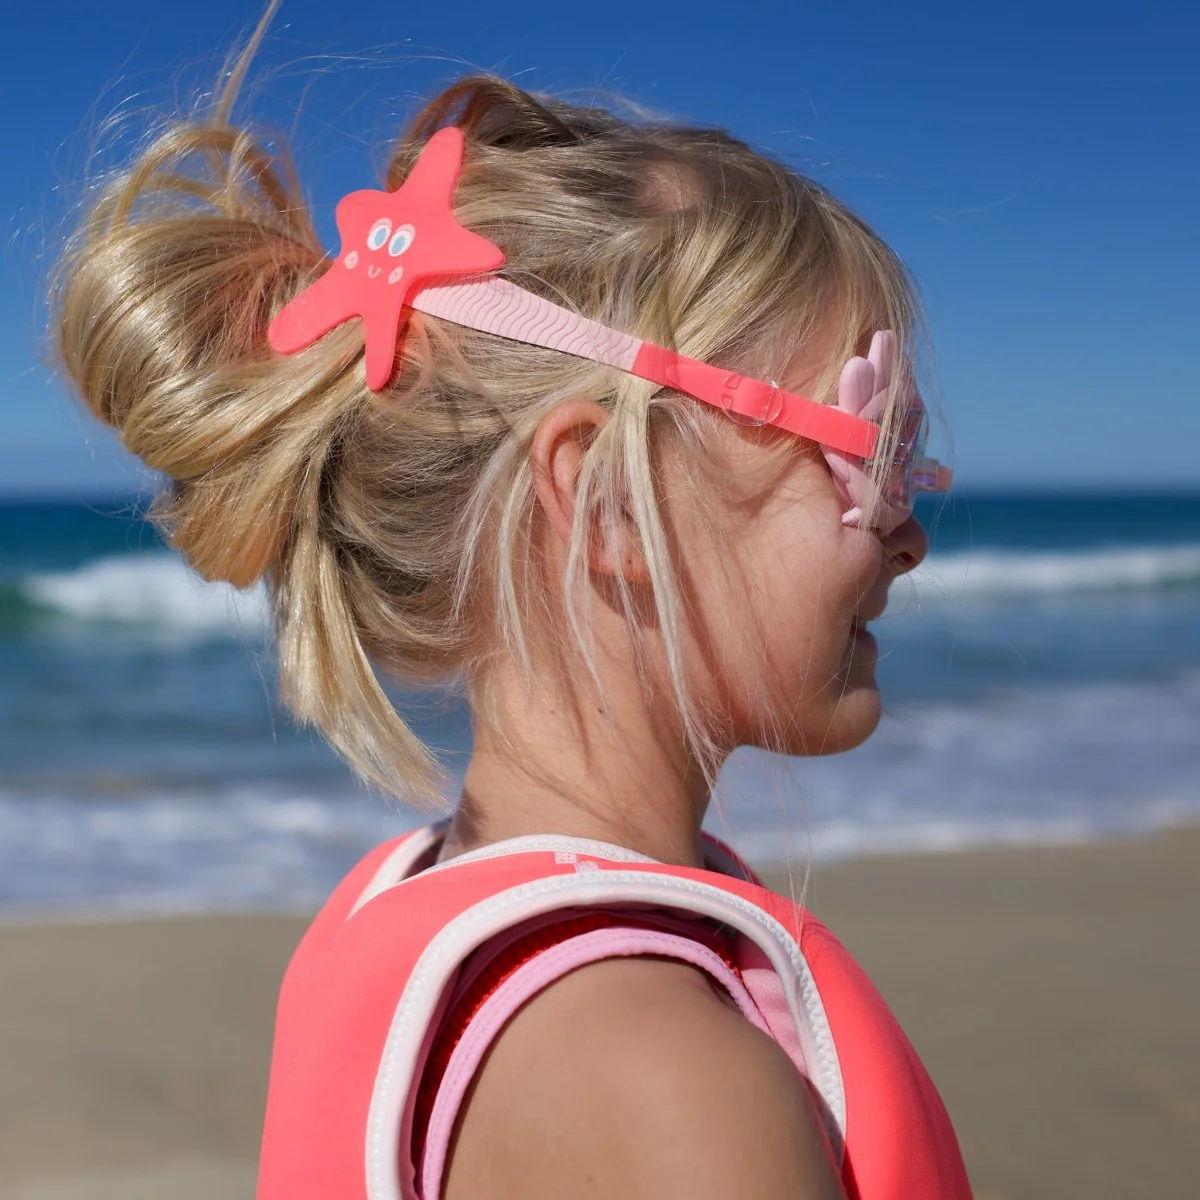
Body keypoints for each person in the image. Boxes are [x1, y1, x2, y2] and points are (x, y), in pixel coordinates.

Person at [51, 16, 969, 1199]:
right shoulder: (666, 1083)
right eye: (873, 448)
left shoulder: (395, 905)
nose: (909, 532)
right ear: (611, 504)